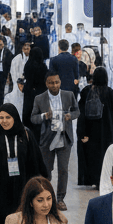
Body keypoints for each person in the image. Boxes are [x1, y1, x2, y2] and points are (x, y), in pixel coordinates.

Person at [31, 72, 78, 210]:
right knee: (46, 171)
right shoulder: (39, 99)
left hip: (64, 137)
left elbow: (77, 111)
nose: (54, 85)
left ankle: (61, 199)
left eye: (57, 82)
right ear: (46, 83)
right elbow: (33, 118)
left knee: (63, 169)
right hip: (47, 139)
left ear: (60, 82)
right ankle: (46, 198)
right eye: (51, 82)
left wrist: (70, 115)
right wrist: (45, 115)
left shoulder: (68, 95)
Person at [77, 66, 113, 187]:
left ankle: (92, 180)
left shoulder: (86, 91)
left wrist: (82, 132)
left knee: (92, 156)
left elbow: (81, 114)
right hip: (107, 131)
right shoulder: (110, 92)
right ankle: (105, 179)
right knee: (105, 156)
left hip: (91, 130)